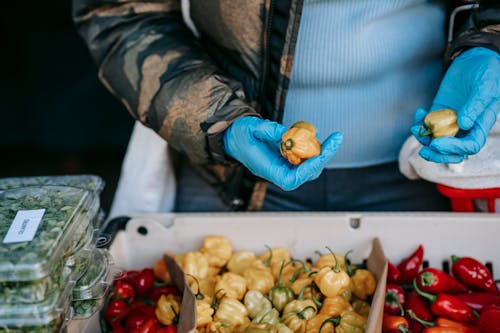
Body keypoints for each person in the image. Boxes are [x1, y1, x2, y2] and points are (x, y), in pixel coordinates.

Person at [72, 0, 500, 213]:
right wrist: (219, 120)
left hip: (424, 177)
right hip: (231, 175)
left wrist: (490, 42)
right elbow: (121, 12)